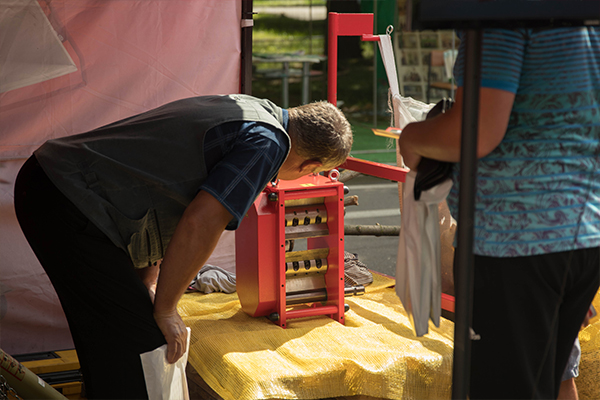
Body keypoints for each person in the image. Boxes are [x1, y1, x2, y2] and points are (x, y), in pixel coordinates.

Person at [13, 94, 353, 399]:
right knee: (145, 345)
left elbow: (161, 191)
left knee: (111, 337)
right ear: (310, 166)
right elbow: (200, 223)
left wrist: (147, 284)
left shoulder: (251, 109)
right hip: (65, 197)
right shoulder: (267, 143)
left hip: (53, 185)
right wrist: (166, 310)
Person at [398, 27, 600, 399]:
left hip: (514, 241)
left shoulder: (499, 14)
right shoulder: (580, 18)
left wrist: (412, 138)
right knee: (546, 381)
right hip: (579, 232)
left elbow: (479, 128)